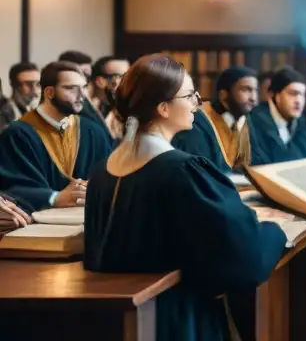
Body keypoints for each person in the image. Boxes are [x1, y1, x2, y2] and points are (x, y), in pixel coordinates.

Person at [84, 54, 287, 341]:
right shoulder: (181, 170)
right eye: (190, 95)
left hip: (122, 320)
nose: (197, 103)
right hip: (179, 320)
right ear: (163, 107)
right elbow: (245, 259)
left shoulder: (104, 170)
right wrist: (274, 231)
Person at [0, 61, 113, 212]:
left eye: (84, 87)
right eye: (71, 88)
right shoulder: (17, 134)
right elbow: (12, 186)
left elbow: (108, 176)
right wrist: (55, 197)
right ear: (49, 93)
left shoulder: (93, 131)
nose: (82, 95)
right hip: (37, 226)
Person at [172, 67, 258, 172]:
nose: (253, 98)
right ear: (223, 94)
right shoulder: (196, 121)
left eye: (255, 90)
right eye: (245, 90)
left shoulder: (245, 121)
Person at [247, 66, 306, 165]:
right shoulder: (253, 122)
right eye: (293, 94)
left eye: (302, 95)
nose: (298, 101)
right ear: (275, 95)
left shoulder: (302, 122)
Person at [0, 63, 41, 131]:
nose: (35, 90)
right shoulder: (4, 113)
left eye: (38, 84)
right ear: (14, 85)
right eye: (28, 84)